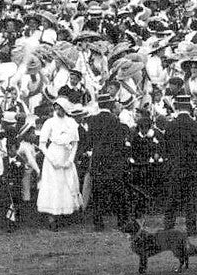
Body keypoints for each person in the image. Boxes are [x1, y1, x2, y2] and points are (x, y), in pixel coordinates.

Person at [36, 102, 82, 231]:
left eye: (60, 108)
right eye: (56, 108)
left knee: (66, 184)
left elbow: (75, 143)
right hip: (53, 155)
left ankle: (64, 214)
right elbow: (42, 144)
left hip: (66, 155)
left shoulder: (72, 123)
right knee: (54, 185)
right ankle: (52, 216)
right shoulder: (49, 122)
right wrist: (52, 159)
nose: (58, 111)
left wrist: (70, 159)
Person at [86, 96, 129, 231]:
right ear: (110, 105)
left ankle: (98, 223)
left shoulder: (92, 120)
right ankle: (121, 221)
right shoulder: (115, 120)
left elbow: (90, 140)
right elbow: (119, 141)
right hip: (113, 159)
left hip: (98, 158)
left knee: (97, 191)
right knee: (117, 190)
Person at [162, 96, 197, 234]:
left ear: (177, 107)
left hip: (174, 166)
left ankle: (168, 226)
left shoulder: (170, 125)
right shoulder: (195, 125)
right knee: (190, 198)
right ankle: (191, 228)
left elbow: (166, 146)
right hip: (191, 166)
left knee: (172, 198)